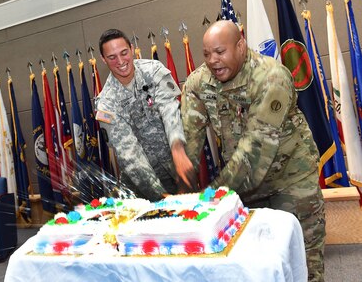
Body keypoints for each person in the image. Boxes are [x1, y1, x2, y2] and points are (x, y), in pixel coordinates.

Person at [181, 20, 325, 282]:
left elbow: (255, 152)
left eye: (220, 52)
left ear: (240, 45)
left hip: (291, 181)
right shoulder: (198, 83)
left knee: (303, 264)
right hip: (243, 188)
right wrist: (181, 191)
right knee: (253, 267)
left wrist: (211, 195)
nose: (212, 60)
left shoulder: (272, 77)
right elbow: (189, 142)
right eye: (206, 53)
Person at [95, 28, 196, 201]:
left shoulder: (154, 72)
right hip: (141, 188)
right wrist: (160, 196)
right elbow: (129, 153)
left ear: (132, 49)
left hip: (177, 169)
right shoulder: (106, 104)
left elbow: (170, 110)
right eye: (112, 57)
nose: (120, 61)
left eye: (124, 52)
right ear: (104, 60)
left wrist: (178, 149)